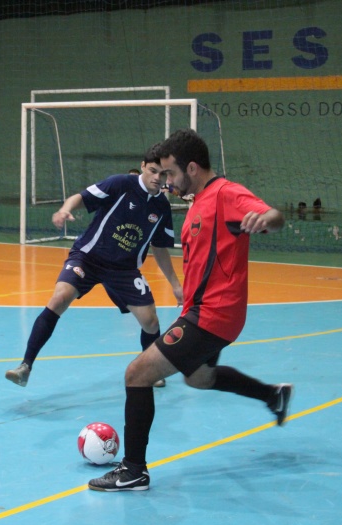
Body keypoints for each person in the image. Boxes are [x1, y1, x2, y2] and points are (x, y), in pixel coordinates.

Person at [88, 129, 292, 492]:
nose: (167, 181)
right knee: (199, 378)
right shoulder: (198, 200)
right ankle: (272, 395)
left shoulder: (226, 194)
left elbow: (272, 214)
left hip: (213, 314)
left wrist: (267, 219)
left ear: (192, 168)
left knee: (137, 374)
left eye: (171, 173)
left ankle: (133, 469)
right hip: (209, 313)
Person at [5, 143, 183, 389]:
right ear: (143, 166)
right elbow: (81, 197)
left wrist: (175, 285)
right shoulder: (120, 184)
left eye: (163, 174)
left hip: (124, 270)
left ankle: (151, 370)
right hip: (88, 257)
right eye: (153, 170)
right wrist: (65, 209)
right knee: (60, 298)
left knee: (150, 321)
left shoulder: (161, 206)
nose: (157, 178)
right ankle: (25, 366)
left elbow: (160, 247)